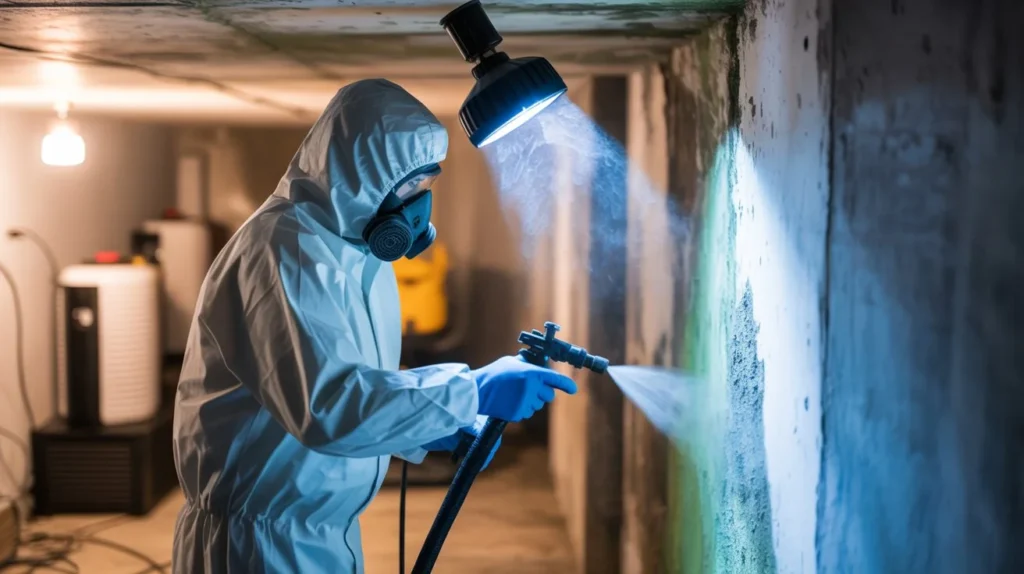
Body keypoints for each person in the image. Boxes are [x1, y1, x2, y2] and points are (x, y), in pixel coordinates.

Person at [171, 79, 577, 573]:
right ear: (357, 177)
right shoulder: (281, 254)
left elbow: (358, 386)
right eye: (407, 187)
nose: (419, 205)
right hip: (257, 547)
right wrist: (471, 390)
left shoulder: (356, 252)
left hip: (322, 533)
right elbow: (330, 406)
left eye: (426, 185)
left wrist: (437, 429)